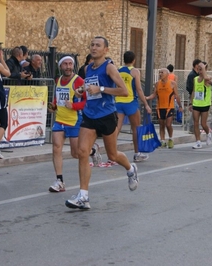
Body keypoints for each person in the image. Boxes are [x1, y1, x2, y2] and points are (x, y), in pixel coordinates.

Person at [65, 36, 138, 210]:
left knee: (112, 155)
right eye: (92, 44)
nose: (94, 47)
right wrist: (81, 90)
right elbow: (90, 88)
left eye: (98, 45)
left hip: (107, 115)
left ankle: (130, 169)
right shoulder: (87, 68)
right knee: (83, 152)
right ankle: (83, 196)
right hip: (90, 115)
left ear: (105, 50)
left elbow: (124, 91)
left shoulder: (110, 67)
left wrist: (102, 89)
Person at [48, 56, 87, 192]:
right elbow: (57, 98)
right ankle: (59, 181)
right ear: (61, 66)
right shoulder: (58, 80)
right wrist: (53, 106)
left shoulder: (78, 81)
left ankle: (92, 150)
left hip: (74, 121)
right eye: (65, 64)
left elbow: (86, 101)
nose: (68, 66)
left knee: (76, 153)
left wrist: (74, 106)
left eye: (70, 64)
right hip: (59, 120)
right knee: (56, 148)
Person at [116, 50, 152, 162]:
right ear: (134, 60)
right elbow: (139, 89)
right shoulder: (135, 71)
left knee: (116, 129)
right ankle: (137, 154)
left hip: (118, 101)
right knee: (136, 129)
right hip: (130, 102)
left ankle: (112, 154)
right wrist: (146, 104)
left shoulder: (118, 71)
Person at [146, 68, 183, 148]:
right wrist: (147, 98)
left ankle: (170, 139)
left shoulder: (172, 83)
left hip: (169, 107)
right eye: (159, 72)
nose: (160, 74)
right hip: (159, 107)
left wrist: (180, 106)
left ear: (167, 74)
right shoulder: (157, 84)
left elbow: (177, 95)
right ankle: (162, 141)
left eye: (162, 72)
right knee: (161, 125)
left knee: (168, 124)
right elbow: (154, 94)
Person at [190, 62, 212, 149]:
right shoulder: (195, 79)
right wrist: (191, 102)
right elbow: (194, 91)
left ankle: (208, 133)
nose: (199, 70)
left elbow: (206, 78)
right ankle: (198, 142)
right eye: (198, 68)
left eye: (201, 68)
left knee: (203, 124)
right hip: (196, 103)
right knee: (195, 123)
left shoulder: (208, 77)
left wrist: (203, 68)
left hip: (205, 104)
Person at [186, 59, 202, 133]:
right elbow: (189, 87)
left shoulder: (197, 74)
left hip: (198, 95)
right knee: (194, 111)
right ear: (196, 65)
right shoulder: (192, 75)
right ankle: (192, 128)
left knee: (196, 111)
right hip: (194, 95)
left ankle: (194, 127)